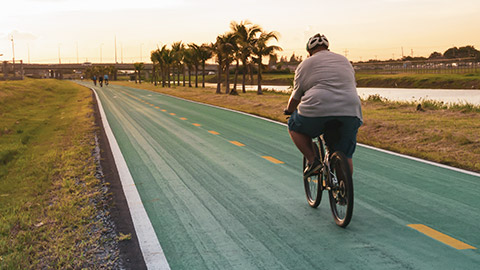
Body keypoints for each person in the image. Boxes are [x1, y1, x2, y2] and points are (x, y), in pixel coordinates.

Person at [284, 33, 362, 178]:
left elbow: (296, 96)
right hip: (350, 109)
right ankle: (344, 190)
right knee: (345, 154)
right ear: (327, 48)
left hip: (317, 109)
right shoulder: (344, 60)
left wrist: (289, 110)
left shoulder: (305, 64)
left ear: (309, 51)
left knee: (294, 126)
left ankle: (313, 161)